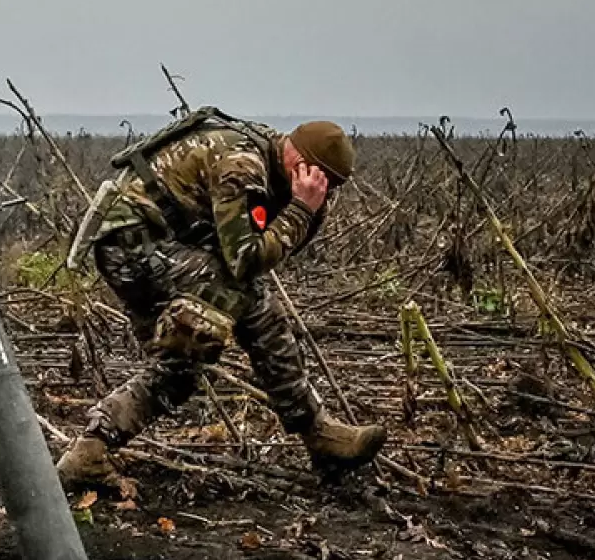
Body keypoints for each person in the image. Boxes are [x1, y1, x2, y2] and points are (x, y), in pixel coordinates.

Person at [56, 108, 387, 488]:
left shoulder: (271, 155)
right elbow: (245, 261)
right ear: (300, 162)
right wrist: (300, 210)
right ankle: (318, 433)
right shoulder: (243, 165)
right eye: (322, 179)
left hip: (152, 245)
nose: (323, 190)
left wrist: (307, 211)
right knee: (255, 304)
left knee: (179, 371)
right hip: (134, 245)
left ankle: (89, 452)